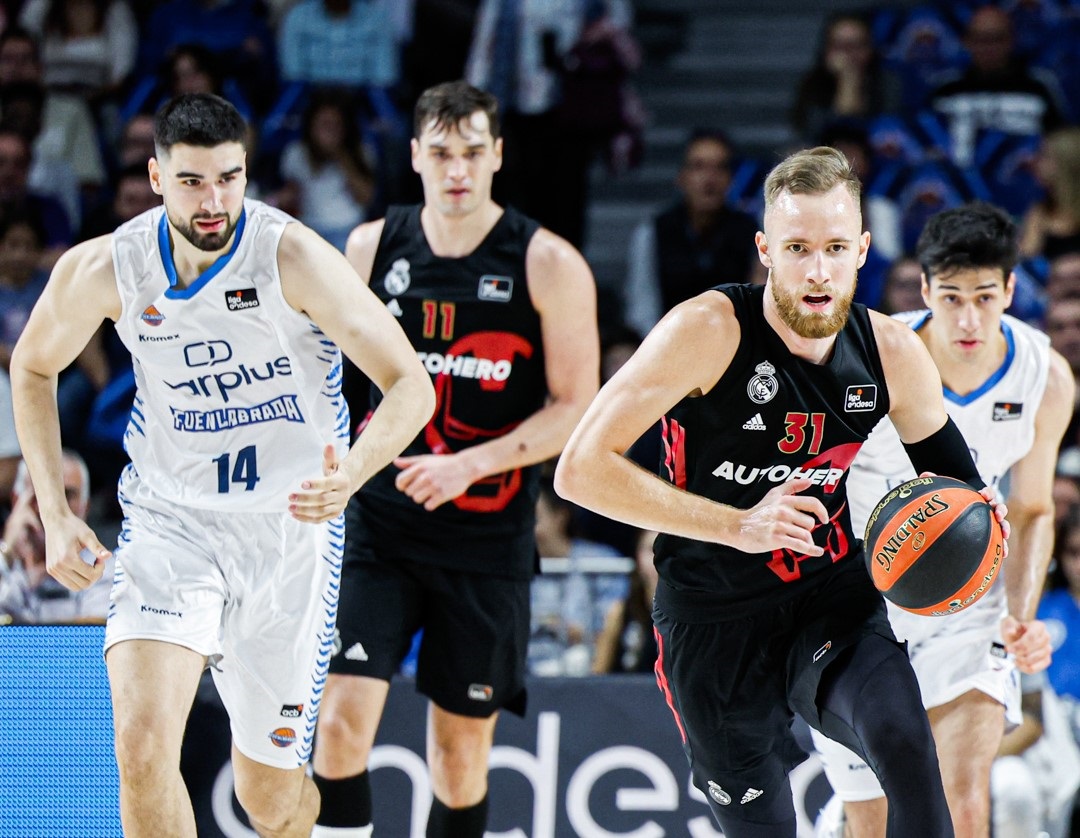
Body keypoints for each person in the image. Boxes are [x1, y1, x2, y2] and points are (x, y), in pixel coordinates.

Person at [554, 146, 1015, 837]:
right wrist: (739, 524)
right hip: (711, 619)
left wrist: (982, 537)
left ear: (863, 250)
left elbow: (960, 490)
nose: (818, 270)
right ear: (766, 250)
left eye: (835, 247)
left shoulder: (891, 353)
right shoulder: (706, 330)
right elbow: (579, 469)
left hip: (827, 599)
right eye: (798, 248)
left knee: (905, 744)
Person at [8, 92, 435, 838]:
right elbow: (34, 369)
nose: (214, 201)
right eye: (194, 182)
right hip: (171, 526)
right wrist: (55, 508)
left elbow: (411, 385)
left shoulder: (292, 256)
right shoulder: (110, 266)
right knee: (140, 751)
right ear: (155, 176)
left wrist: (354, 472)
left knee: (268, 803)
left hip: (285, 534)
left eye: (229, 179)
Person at [309, 80, 599, 838]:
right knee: (337, 727)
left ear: (498, 155)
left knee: (460, 751)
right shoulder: (371, 245)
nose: (458, 170)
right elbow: (333, 386)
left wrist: (470, 465)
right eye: (441, 153)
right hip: (378, 524)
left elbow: (576, 410)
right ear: (414, 157)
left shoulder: (548, 262)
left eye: (473, 152)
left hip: (485, 534)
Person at [810, 202, 1071, 837]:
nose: (968, 317)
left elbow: (1035, 508)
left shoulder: (1046, 378)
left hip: (967, 607)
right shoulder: (864, 357)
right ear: (924, 290)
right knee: (873, 821)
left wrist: (1020, 611)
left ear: (1011, 290)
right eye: (951, 296)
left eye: (984, 296)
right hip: (859, 606)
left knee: (965, 804)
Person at [622, 128, 761, 337]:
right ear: (681, 177)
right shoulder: (653, 232)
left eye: (720, 168)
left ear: (731, 178)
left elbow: (759, 304)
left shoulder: (753, 231)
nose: (709, 179)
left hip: (736, 347)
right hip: (667, 347)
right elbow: (642, 310)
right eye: (699, 167)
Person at [0, 450, 109, 624]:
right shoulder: (5, 562)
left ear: (85, 506)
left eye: (68, 495)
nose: (55, 510)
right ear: (17, 501)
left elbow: (93, 637)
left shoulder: (105, 566)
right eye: (40, 495)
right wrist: (7, 551)